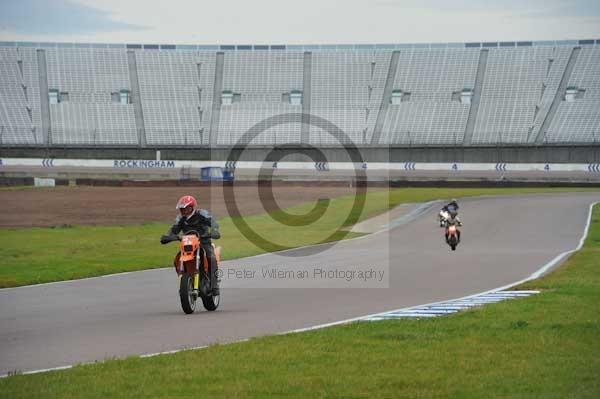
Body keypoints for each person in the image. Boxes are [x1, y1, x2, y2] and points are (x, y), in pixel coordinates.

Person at [160, 195, 221, 295]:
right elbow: (174, 229)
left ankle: (214, 285)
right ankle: (185, 280)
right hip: (188, 244)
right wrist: (168, 236)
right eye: (181, 209)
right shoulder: (180, 219)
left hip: (203, 242)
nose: (183, 211)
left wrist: (214, 231)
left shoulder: (201, 213)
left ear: (192, 207)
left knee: (211, 257)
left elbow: (213, 222)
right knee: (177, 259)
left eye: (185, 208)